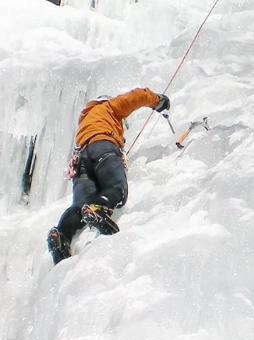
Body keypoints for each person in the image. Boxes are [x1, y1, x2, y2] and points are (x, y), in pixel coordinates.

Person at [47, 88, 170, 265]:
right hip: (103, 148)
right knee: (117, 188)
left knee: (79, 205)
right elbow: (137, 97)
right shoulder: (109, 107)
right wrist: (157, 100)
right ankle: (99, 207)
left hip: (81, 159)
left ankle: (62, 234)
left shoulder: (85, 123)